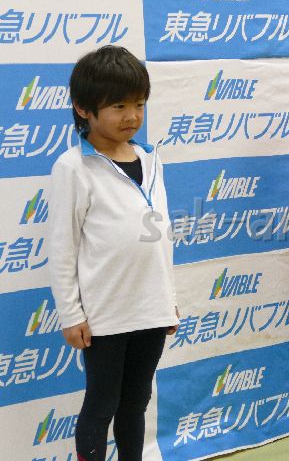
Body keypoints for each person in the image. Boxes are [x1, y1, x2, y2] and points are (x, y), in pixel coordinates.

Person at [48, 45, 179, 461]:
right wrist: (71, 314)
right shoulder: (73, 167)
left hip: (151, 309)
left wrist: (168, 300)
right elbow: (62, 247)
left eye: (139, 104)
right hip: (105, 314)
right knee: (101, 404)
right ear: (83, 108)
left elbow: (160, 237)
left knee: (136, 403)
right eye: (118, 106)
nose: (132, 116)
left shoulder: (150, 159)